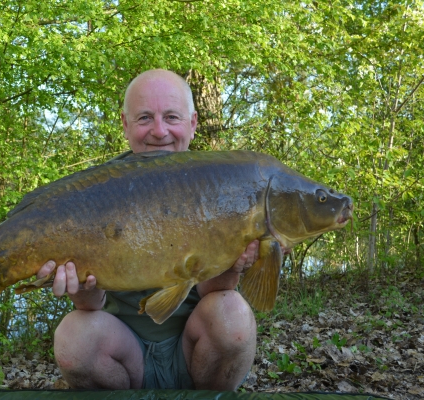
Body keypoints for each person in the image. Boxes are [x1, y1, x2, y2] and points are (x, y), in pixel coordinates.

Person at [36, 69, 260, 391]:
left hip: (193, 349)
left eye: (171, 117)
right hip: (124, 354)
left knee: (233, 315)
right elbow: (90, 307)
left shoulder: (218, 184)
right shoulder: (98, 190)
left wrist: (234, 263)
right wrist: (78, 283)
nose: (159, 131)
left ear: (193, 124)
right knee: (74, 337)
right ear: (126, 125)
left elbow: (215, 293)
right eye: (144, 118)